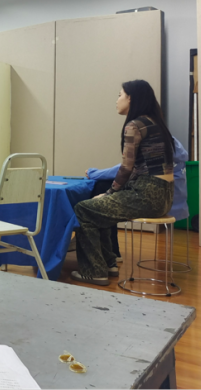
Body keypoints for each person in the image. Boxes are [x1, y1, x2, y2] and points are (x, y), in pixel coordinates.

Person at [71, 80, 174, 286]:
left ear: (131, 98)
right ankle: (109, 263)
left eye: (120, 95)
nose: (117, 100)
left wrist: (110, 192)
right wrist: (112, 192)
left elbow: (126, 168)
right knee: (97, 209)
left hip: (146, 194)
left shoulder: (134, 126)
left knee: (83, 209)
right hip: (165, 196)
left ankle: (94, 271)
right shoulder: (157, 123)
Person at [84, 136, 189, 262]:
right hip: (176, 203)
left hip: (158, 203)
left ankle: (107, 254)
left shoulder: (153, 140)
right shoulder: (172, 142)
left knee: (93, 200)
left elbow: (126, 168)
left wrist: (93, 173)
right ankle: (111, 253)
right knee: (105, 189)